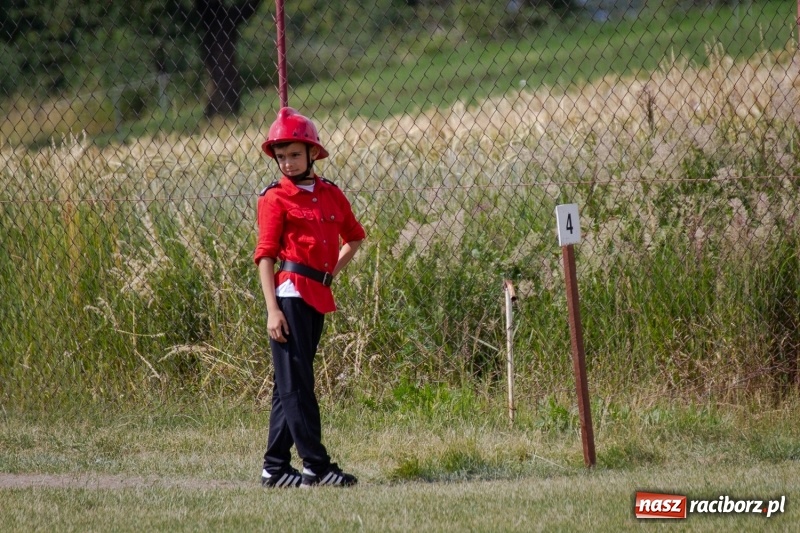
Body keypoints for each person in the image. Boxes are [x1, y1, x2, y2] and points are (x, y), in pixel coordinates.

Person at [254, 107, 365, 488]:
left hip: (317, 295)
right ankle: (316, 465)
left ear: (313, 153)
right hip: (289, 296)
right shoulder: (274, 198)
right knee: (297, 383)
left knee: (290, 382)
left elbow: (354, 237)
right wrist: (272, 310)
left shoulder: (331, 194)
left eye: (294, 155)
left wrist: (328, 274)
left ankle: (274, 467)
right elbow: (265, 256)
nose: (286, 163)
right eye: (280, 156)